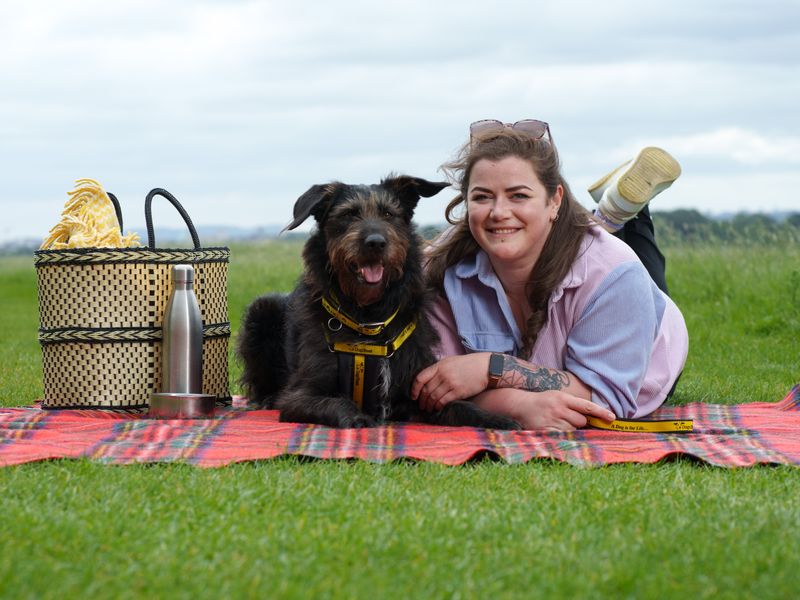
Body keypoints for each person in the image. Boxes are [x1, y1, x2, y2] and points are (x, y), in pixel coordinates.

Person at [411, 119, 688, 431]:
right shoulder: (438, 270)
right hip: (570, 255)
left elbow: (606, 401)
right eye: (482, 197)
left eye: (518, 196)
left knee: (630, 268)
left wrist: (492, 368)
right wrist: (519, 405)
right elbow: (433, 390)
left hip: (646, 347)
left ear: (555, 200)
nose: (498, 211)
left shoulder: (615, 274)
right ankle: (612, 213)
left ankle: (631, 214)